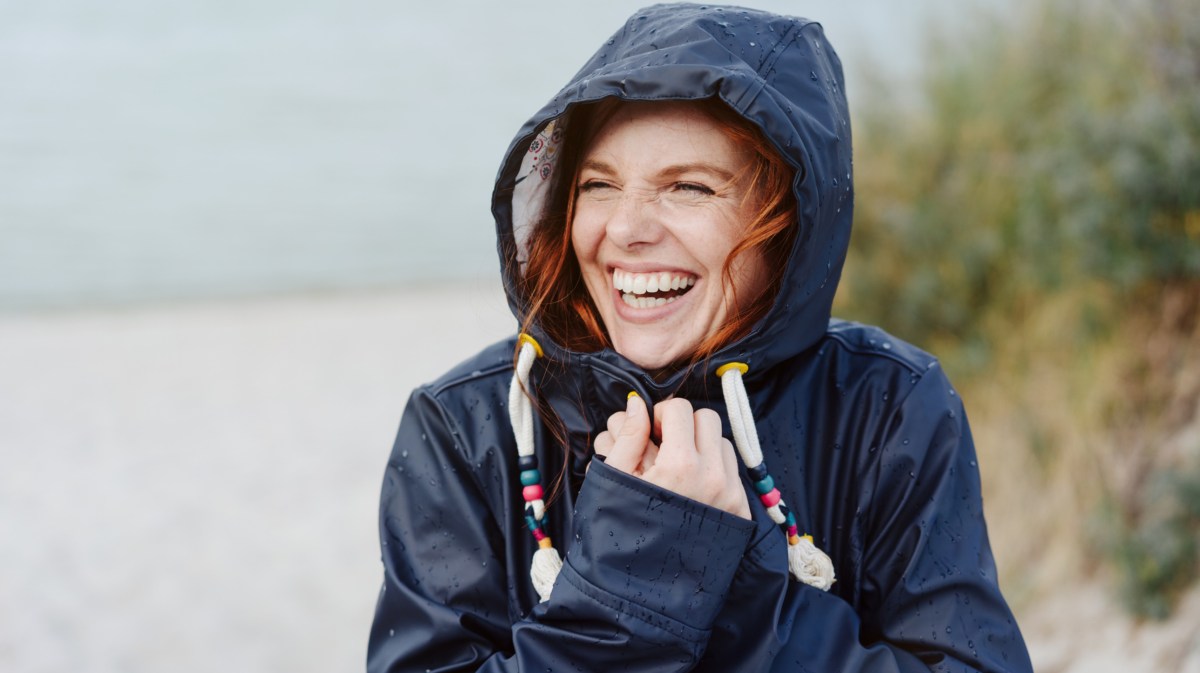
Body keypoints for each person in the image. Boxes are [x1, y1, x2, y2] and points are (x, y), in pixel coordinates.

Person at [367, 4, 1033, 672]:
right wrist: (629, 586)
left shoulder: (887, 407)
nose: (625, 229)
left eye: (688, 186)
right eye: (597, 184)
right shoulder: (465, 426)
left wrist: (740, 588)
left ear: (790, 222)